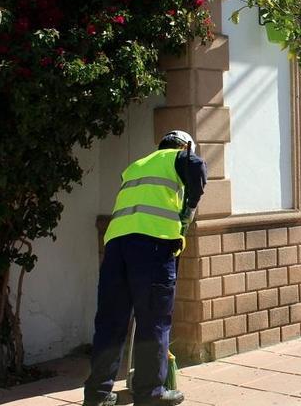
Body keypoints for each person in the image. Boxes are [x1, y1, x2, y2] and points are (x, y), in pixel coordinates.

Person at [84, 130, 207, 406]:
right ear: (184, 146)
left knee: (110, 323)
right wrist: (189, 207)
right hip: (152, 247)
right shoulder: (179, 157)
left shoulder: (136, 166)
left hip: (116, 247)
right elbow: (197, 166)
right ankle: (150, 393)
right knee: (153, 323)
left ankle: (98, 395)